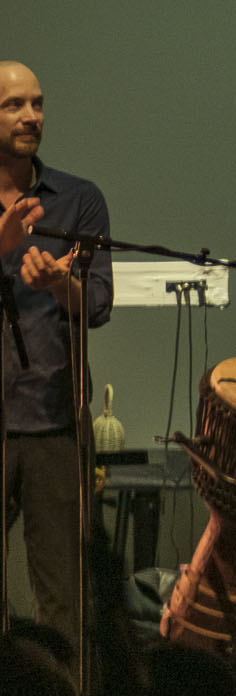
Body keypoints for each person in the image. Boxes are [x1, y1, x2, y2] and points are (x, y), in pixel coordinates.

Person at [0, 61, 111, 647]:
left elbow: (95, 305)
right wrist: (3, 248)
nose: (31, 116)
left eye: (38, 103)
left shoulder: (77, 200)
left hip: (54, 429)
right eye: (14, 105)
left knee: (63, 607)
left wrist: (55, 285)